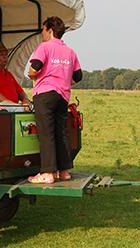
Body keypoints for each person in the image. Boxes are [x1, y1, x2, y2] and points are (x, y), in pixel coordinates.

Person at [26, 16, 83, 184]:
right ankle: (64, 171)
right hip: (63, 95)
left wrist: (32, 75)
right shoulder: (70, 51)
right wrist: (63, 80)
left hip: (45, 94)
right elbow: (78, 76)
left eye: (43, 30)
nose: (42, 34)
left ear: (50, 30)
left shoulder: (45, 47)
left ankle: (48, 172)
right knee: (61, 132)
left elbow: (34, 67)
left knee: (46, 134)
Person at [0, 42, 30, 112]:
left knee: (35, 108)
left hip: (12, 106)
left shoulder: (8, 74)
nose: (5, 57)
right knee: (20, 109)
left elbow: (21, 92)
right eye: (1, 54)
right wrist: (12, 104)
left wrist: (25, 101)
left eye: (6, 54)